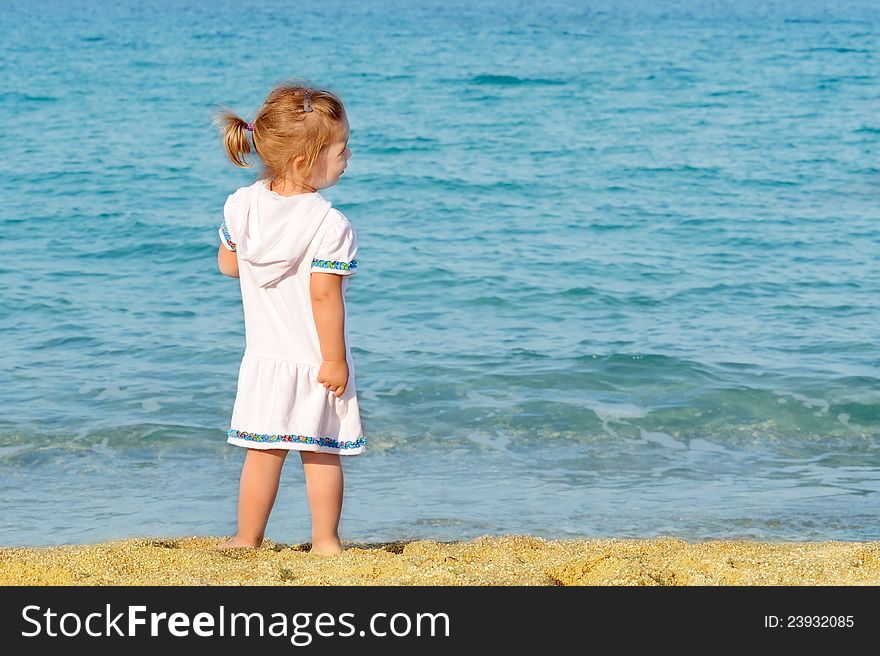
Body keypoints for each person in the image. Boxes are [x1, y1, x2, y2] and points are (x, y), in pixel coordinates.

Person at [211, 81, 362, 555]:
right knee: (321, 452)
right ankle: (324, 541)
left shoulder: (241, 205)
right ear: (303, 162)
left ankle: (245, 538)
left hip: (264, 358)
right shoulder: (329, 224)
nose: (348, 155)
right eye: (340, 149)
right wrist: (334, 360)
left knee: (263, 452)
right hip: (315, 359)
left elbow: (228, 264)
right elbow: (323, 297)